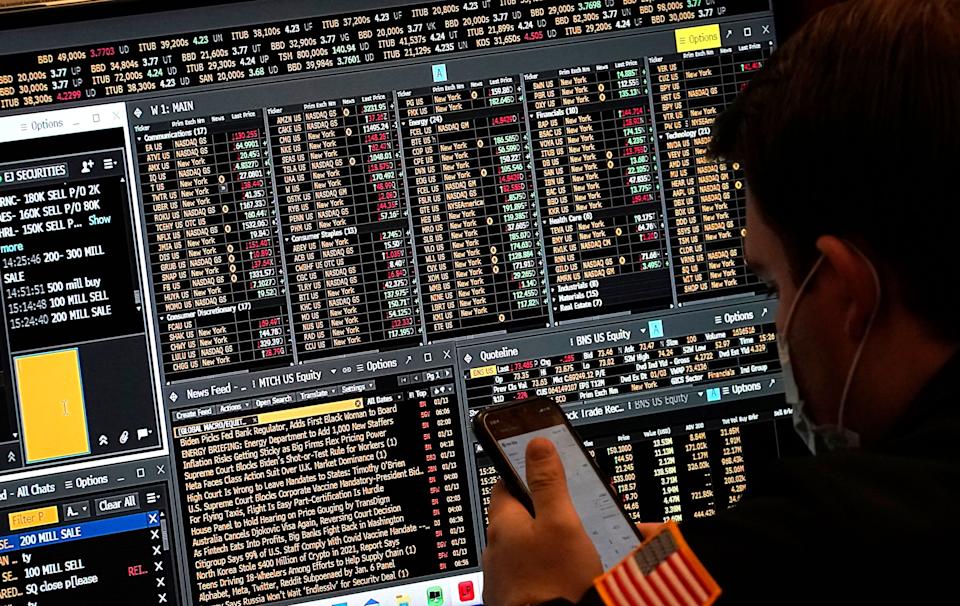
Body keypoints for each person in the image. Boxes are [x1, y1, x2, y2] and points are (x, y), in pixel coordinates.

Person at [482, 0, 960, 603]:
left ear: (849, 289)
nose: (780, 319)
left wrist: (537, 595)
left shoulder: (820, 537)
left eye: (774, 285)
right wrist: (661, 570)